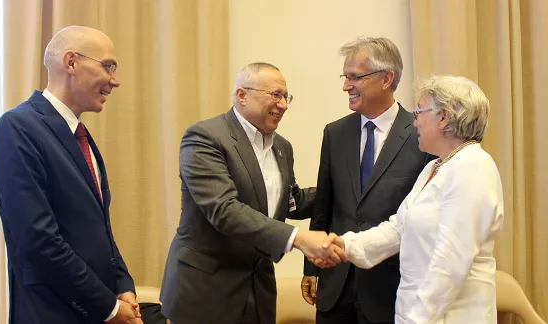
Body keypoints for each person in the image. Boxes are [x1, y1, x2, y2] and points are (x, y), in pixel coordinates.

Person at [159, 62, 346, 324]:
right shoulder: (205, 137)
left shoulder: (282, 147)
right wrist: (299, 238)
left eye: (286, 96)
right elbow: (224, 210)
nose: (283, 105)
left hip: (258, 292)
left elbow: (290, 202)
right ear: (242, 95)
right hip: (206, 293)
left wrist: (345, 190)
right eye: (275, 95)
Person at [317, 75, 504, 323]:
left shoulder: (473, 166)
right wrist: (345, 246)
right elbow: (398, 229)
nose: (414, 123)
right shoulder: (435, 167)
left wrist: (417, 318)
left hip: (451, 314)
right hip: (417, 311)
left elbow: (451, 261)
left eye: (419, 113)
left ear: (444, 117)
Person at [0, 26, 142, 324]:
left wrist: (123, 286)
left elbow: (100, 230)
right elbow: (39, 241)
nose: (115, 81)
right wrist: (108, 308)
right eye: (108, 66)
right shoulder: (18, 128)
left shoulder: (81, 137)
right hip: (52, 313)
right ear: (71, 62)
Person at [302, 36, 434, 324]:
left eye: (355, 77)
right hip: (335, 286)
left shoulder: (420, 136)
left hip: (390, 288)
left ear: (386, 78)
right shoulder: (334, 133)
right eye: (345, 76)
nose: (346, 86)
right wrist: (311, 268)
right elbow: (325, 205)